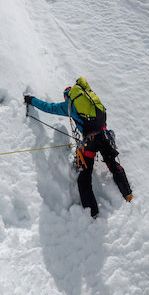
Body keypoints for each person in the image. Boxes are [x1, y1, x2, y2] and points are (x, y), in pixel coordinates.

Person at [24, 76, 132, 218]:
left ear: (67, 96)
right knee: (112, 163)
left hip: (90, 143)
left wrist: (31, 100)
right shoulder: (91, 98)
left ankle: (92, 212)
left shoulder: (68, 105)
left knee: (84, 177)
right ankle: (128, 194)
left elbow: (48, 108)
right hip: (105, 136)